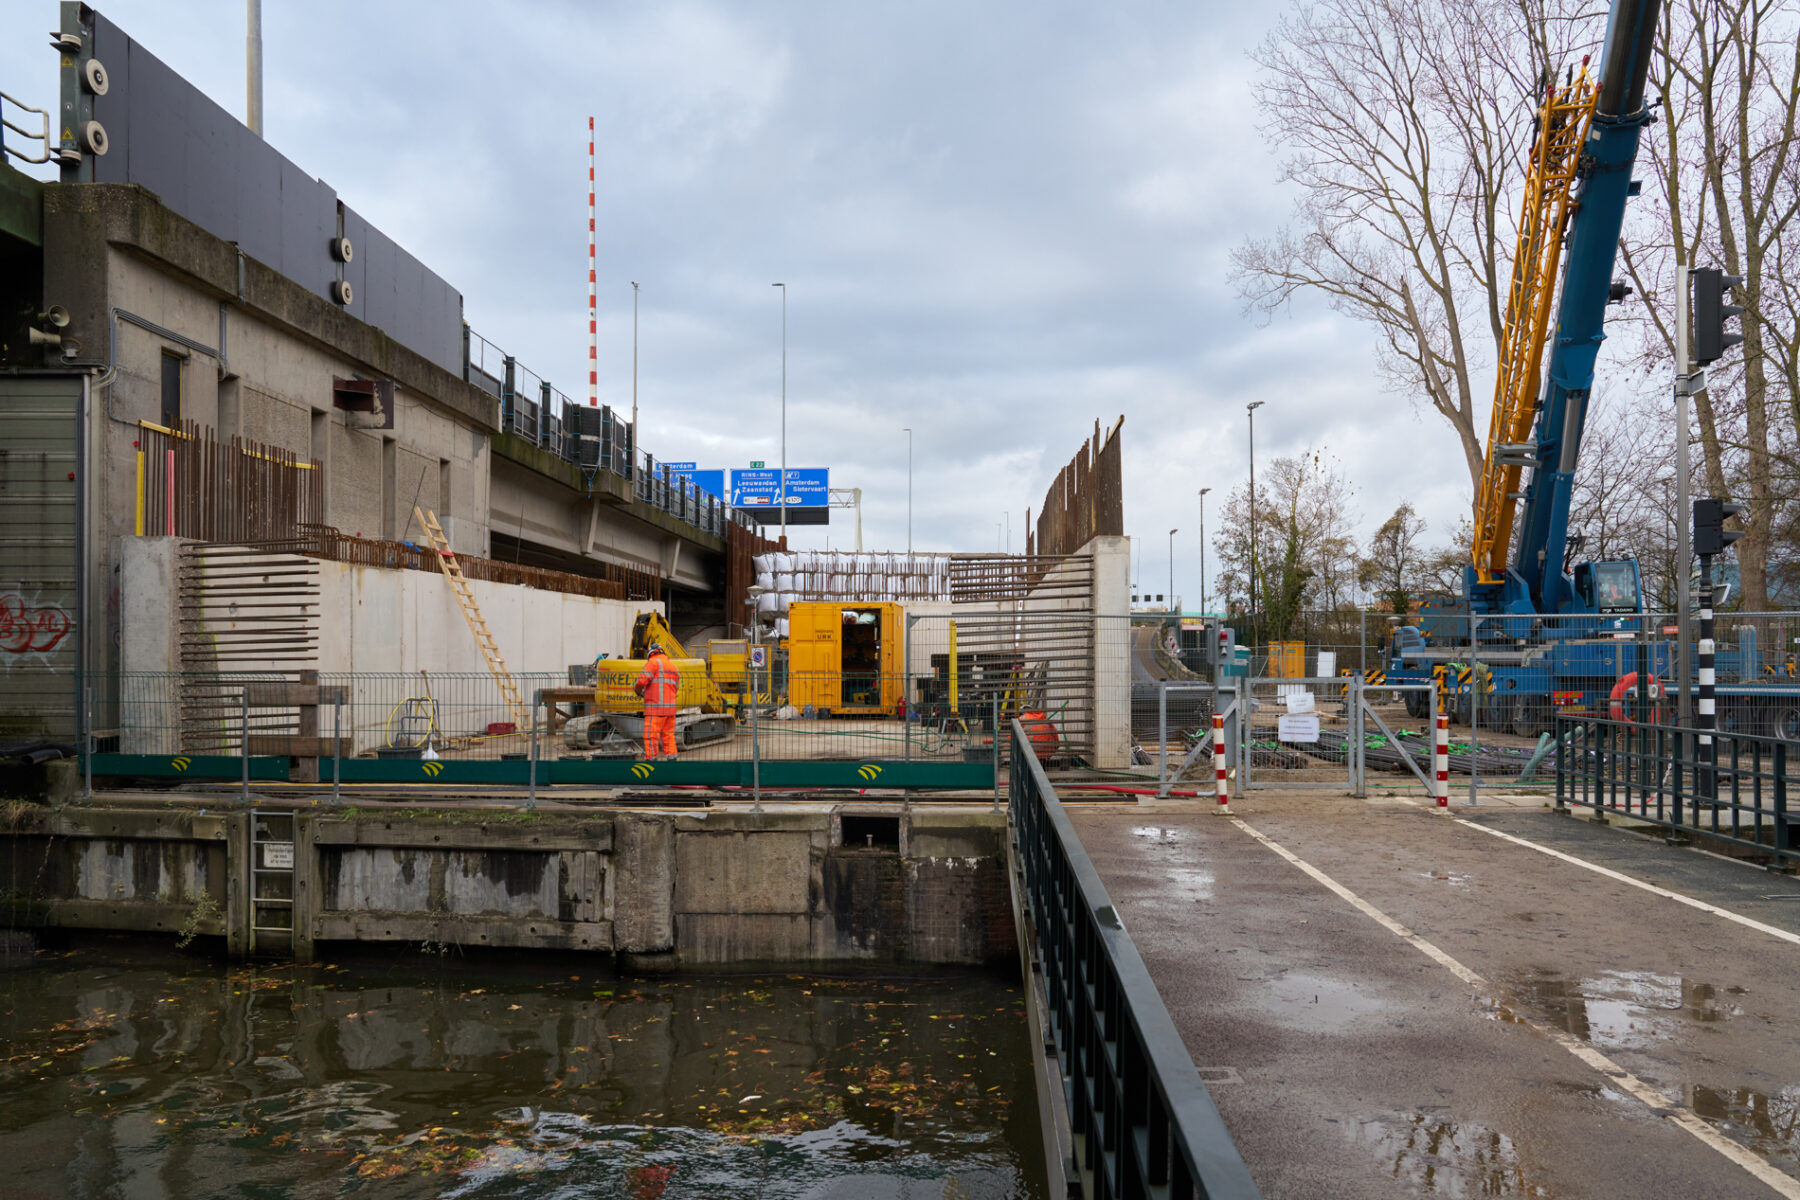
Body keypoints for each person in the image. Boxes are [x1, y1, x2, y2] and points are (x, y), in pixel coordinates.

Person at [634, 642, 681, 760]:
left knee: (651, 736)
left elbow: (640, 682)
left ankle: (651, 761)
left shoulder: (653, 662)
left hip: (655, 709)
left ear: (651, 654)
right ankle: (672, 760)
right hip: (670, 710)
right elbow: (675, 688)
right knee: (668, 736)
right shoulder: (673, 667)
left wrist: (638, 691)